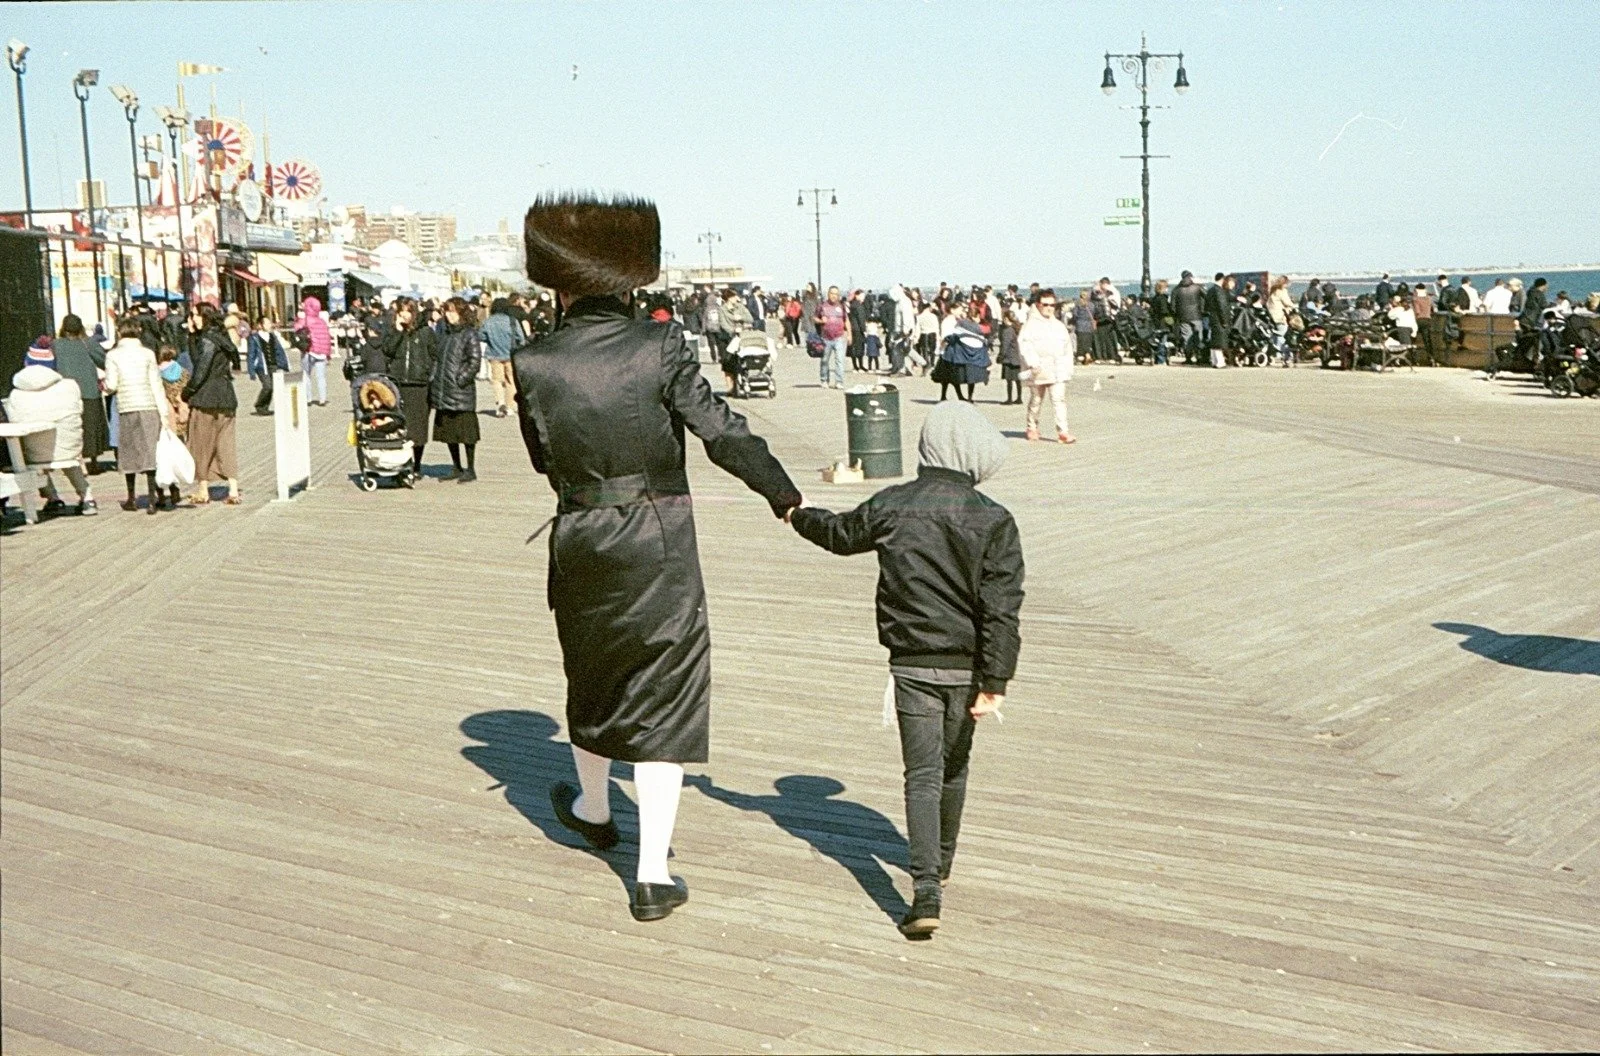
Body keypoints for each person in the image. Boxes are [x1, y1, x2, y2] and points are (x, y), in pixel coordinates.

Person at [512, 192, 801, 922]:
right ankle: (650, 874)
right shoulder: (660, 345)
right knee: (664, 690)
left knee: (594, 672)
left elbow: (543, 458)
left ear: (560, 282)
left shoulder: (534, 359)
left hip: (580, 530)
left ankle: (592, 806)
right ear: (628, 279)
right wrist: (783, 494)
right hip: (658, 535)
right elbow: (721, 430)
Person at [787, 401, 1023, 937]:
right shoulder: (993, 519)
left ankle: (925, 892)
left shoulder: (894, 504)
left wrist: (797, 512)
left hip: (913, 662)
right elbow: (1002, 609)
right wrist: (996, 682)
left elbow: (840, 535)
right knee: (954, 767)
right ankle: (942, 859)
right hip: (968, 670)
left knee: (921, 774)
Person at [4, 359, 95, 516]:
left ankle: (52, 498)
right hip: (69, 449)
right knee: (68, 458)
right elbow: (79, 409)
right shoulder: (69, 386)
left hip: (34, 454)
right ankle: (87, 498)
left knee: (33, 452)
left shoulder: (16, 395)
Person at [101, 316, 170, 515]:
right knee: (150, 452)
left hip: (127, 407)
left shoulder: (113, 355)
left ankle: (131, 498)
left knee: (129, 453)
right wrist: (163, 413)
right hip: (149, 406)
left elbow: (112, 385)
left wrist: (104, 385)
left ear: (120, 333)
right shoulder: (148, 353)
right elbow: (156, 384)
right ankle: (153, 498)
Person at [183, 304, 242, 506]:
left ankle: (203, 489)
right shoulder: (222, 337)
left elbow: (200, 368)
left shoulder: (207, 340)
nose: (193, 319)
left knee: (202, 444)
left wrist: (187, 392)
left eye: (195, 315)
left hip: (206, 397)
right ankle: (233, 489)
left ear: (204, 317)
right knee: (226, 443)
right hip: (226, 396)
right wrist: (192, 335)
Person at [381, 298, 439, 475]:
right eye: (401, 312)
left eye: (407, 311)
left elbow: (435, 355)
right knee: (399, 426)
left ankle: (416, 465)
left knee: (418, 428)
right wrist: (397, 332)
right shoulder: (393, 331)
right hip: (398, 384)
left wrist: (429, 375)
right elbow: (388, 351)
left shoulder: (426, 332)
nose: (404, 315)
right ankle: (402, 464)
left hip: (419, 385)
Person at [431, 297, 483, 483]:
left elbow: (475, 360)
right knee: (448, 432)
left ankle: (471, 468)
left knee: (467, 433)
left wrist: (461, 379)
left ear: (461, 312)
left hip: (460, 391)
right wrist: (434, 377)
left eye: (452, 311)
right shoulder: (444, 333)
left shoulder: (469, 333)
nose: (449, 315)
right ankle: (456, 465)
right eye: (447, 311)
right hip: (444, 389)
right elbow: (437, 358)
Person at [52, 314, 109, 473]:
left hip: (66, 392)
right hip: (89, 391)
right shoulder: (88, 343)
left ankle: (77, 460)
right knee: (91, 427)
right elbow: (103, 361)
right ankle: (93, 460)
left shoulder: (55, 345)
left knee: (71, 427)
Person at [1017, 289, 1074, 442]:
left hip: (1057, 369)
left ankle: (1063, 431)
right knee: (1036, 399)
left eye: (1052, 305)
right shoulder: (1030, 325)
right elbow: (1025, 345)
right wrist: (1032, 363)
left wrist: (1068, 367)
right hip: (1038, 369)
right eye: (1045, 304)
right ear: (1038, 305)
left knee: (1059, 399)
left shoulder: (1058, 325)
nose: (1049, 308)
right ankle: (1032, 426)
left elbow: (1067, 348)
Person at [480, 298, 521, 418]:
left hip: (494, 355)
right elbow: (520, 337)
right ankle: (510, 406)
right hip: (510, 355)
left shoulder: (489, 322)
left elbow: (481, 335)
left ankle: (500, 403)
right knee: (511, 381)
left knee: (497, 380)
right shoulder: (512, 321)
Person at [293, 295, 333, 406]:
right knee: (321, 377)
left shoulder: (303, 320)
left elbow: (296, 330)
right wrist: (328, 354)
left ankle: (308, 398)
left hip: (308, 351)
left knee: (306, 375)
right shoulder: (322, 322)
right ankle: (322, 399)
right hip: (322, 353)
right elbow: (327, 339)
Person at [247, 316, 290, 416]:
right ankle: (259, 405)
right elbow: (251, 354)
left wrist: (284, 364)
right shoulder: (254, 338)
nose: (270, 325)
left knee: (273, 387)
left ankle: (264, 407)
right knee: (267, 386)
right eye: (267, 323)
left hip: (273, 364)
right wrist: (251, 370)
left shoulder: (272, 336)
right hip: (262, 366)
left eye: (270, 323)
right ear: (260, 325)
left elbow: (279, 350)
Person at [814, 285, 850, 389]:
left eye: (836, 294)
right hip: (825, 338)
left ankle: (839, 381)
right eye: (832, 293)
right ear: (828, 294)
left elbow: (846, 320)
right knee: (824, 360)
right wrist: (821, 321)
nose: (834, 296)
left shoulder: (842, 306)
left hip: (839, 337)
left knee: (839, 360)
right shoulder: (822, 306)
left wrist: (849, 334)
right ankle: (824, 379)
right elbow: (814, 318)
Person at [1172, 270, 1204, 360]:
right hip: (1197, 315)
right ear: (1191, 277)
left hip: (1183, 317)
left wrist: (1177, 314)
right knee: (1198, 337)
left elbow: (1173, 306)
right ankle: (1199, 357)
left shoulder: (1176, 289)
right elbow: (1207, 297)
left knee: (1186, 338)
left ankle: (1188, 358)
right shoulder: (1197, 287)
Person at [1205, 273, 1235, 368]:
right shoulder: (1219, 291)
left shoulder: (1210, 290)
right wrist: (1224, 321)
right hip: (1219, 318)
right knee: (1220, 342)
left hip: (1213, 317)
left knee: (1214, 342)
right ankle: (1220, 362)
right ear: (1222, 279)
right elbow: (1222, 307)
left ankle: (1214, 361)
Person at [1266, 275, 1295, 366]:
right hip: (1280, 317)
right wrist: (1293, 306)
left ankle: (1271, 355)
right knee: (1282, 336)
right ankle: (1284, 355)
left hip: (1272, 316)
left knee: (1275, 335)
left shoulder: (1273, 291)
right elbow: (1287, 302)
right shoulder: (1281, 292)